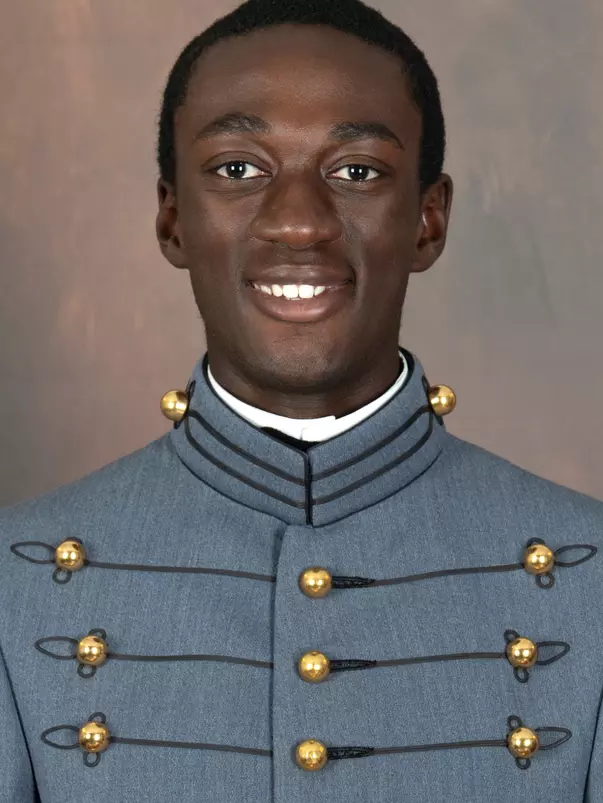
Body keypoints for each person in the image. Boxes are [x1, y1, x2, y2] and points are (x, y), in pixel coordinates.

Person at [1, 0, 602, 800]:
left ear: (427, 220)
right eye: (238, 169)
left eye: (355, 172)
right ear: (172, 218)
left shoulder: (586, 570)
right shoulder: (21, 575)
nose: (296, 223)